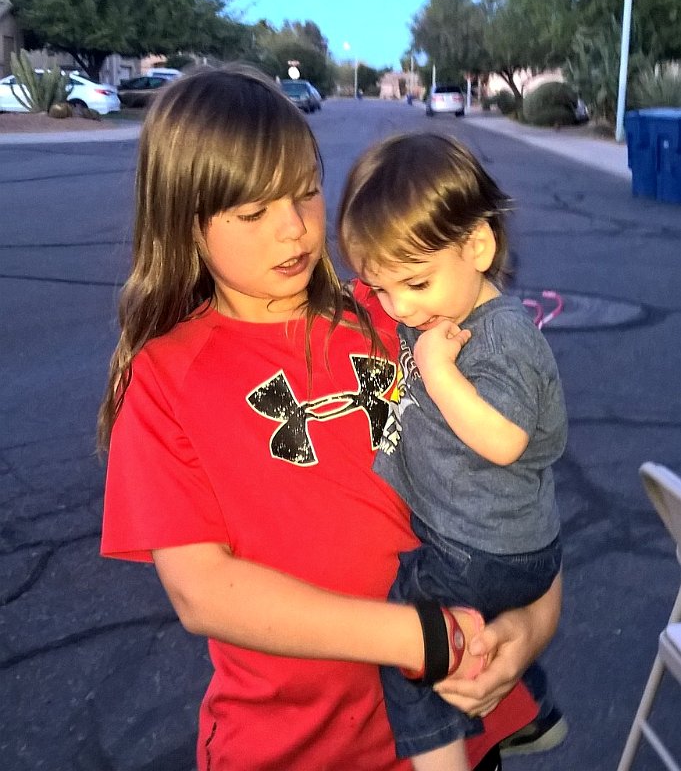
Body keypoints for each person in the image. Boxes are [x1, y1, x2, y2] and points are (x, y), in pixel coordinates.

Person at [98, 65, 562, 771]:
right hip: (297, 746)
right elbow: (203, 592)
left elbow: (516, 480)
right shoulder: (166, 379)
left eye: (305, 192)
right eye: (252, 213)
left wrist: (530, 625)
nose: (293, 228)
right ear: (186, 222)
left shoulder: (398, 314)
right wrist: (413, 637)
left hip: (455, 722)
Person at [337, 132, 567, 771]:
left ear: (479, 247)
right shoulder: (443, 309)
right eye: (383, 289)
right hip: (506, 545)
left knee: (413, 638)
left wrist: (437, 371)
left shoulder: (501, 337)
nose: (401, 308)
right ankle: (530, 707)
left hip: (480, 550)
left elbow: (504, 439)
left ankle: (443, 760)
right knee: (474, 629)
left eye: (415, 283)